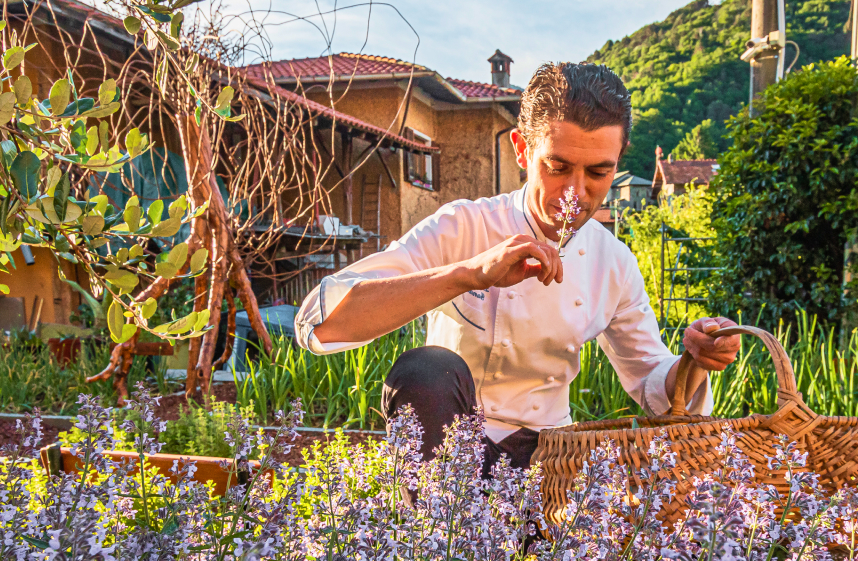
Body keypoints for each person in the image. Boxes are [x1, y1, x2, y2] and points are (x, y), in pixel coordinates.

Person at [294, 61, 740, 474]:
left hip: (550, 456)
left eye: (598, 173)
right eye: (557, 167)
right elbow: (319, 323)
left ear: (618, 161)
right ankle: (445, 535)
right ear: (522, 150)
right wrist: (467, 273)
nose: (576, 194)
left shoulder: (614, 263)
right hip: (450, 450)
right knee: (425, 368)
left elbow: (653, 386)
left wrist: (695, 359)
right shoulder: (463, 226)